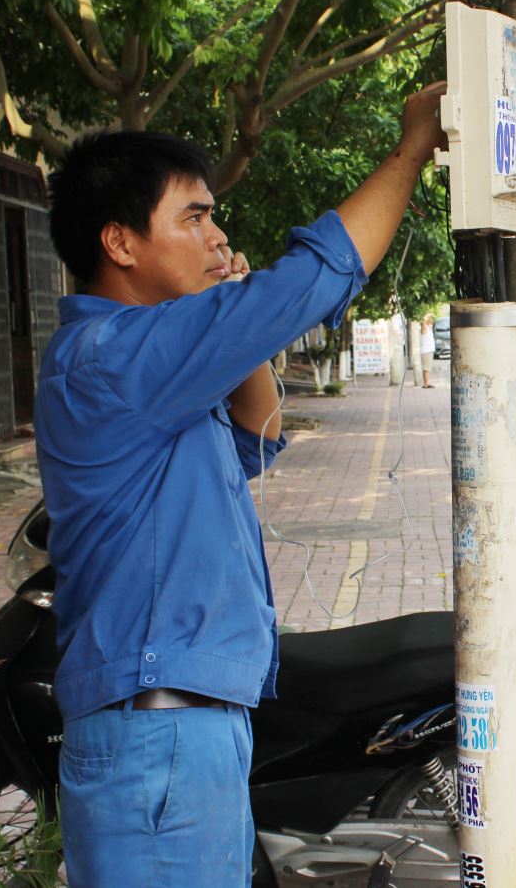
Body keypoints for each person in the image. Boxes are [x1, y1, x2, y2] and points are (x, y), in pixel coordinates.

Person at [35, 83, 446, 886]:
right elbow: (313, 279)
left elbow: (258, 429)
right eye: (194, 216)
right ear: (120, 241)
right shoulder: (115, 357)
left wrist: (230, 320)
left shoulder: (150, 365)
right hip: (159, 739)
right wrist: (411, 151)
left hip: (187, 734)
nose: (216, 235)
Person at [420, 313, 436, 387]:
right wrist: (427, 315)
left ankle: (426, 383)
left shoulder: (428, 328)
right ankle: (426, 383)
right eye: (430, 320)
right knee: (427, 368)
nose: (431, 321)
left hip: (428, 350)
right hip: (426, 351)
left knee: (427, 368)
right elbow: (423, 321)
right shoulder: (424, 327)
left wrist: (431, 316)